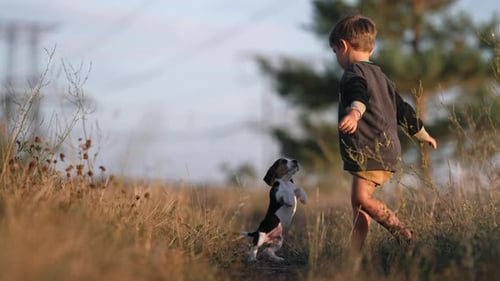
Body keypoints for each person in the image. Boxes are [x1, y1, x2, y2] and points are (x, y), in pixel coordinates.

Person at [328, 15, 438, 252]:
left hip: (370, 149)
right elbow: (403, 110)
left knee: (361, 200)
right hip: (385, 149)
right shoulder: (383, 78)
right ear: (373, 47)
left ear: (343, 46)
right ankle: (354, 256)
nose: (337, 57)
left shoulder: (353, 72)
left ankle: (403, 233)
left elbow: (357, 94)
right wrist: (422, 134)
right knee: (359, 208)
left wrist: (355, 114)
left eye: (335, 51)